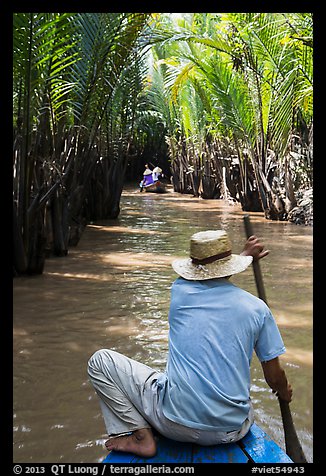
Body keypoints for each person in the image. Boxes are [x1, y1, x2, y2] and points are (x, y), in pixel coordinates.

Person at [87, 230, 292, 458]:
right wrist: (284, 391)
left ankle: (140, 437)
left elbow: (210, 275)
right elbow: (274, 377)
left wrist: (245, 256)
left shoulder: (180, 292)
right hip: (233, 429)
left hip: (174, 425)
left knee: (100, 361)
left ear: (193, 267)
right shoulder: (257, 309)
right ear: (231, 266)